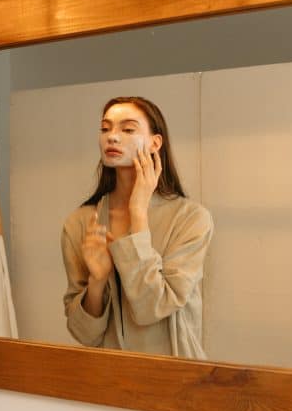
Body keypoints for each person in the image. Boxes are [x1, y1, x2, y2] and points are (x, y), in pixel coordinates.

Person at [61, 96, 212, 360]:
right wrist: (96, 283)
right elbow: (83, 333)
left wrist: (138, 214)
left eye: (128, 129)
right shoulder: (81, 223)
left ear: (155, 142)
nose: (112, 137)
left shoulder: (191, 219)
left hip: (177, 378)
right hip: (108, 380)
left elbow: (152, 307)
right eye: (105, 129)